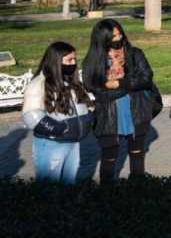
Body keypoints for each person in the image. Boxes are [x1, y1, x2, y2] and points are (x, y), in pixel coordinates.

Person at [82, 19, 159, 183]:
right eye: (113, 36)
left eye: (119, 33)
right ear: (102, 39)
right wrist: (130, 86)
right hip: (108, 117)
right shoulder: (93, 60)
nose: (119, 38)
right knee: (109, 158)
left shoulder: (134, 54)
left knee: (137, 155)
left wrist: (119, 84)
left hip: (137, 112)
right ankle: (108, 195)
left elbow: (146, 78)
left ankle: (137, 189)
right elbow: (95, 89)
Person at [22, 42, 94, 184]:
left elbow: (82, 105)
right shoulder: (40, 83)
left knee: (69, 182)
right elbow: (31, 114)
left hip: (72, 142)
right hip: (51, 144)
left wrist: (89, 117)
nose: (73, 63)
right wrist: (57, 128)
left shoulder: (71, 83)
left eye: (74, 59)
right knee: (49, 185)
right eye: (69, 60)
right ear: (55, 61)